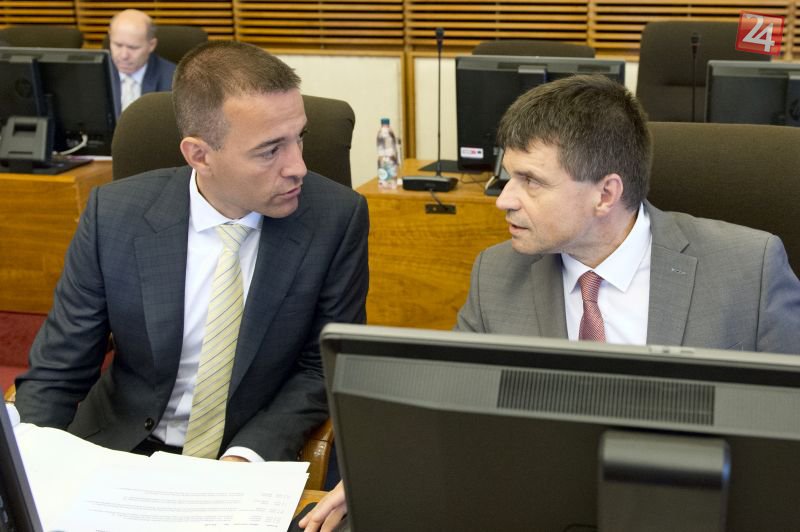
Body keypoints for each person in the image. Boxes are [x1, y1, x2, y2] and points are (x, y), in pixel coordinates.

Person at [299, 74, 800, 530]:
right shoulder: (498, 274)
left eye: (531, 181)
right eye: (508, 176)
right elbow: (450, 410)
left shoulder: (747, 269)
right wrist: (386, 470)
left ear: (606, 194)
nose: (504, 199)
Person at [15, 41, 369, 464]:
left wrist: (245, 456)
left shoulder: (336, 219)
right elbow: (59, 367)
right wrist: (27, 462)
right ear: (199, 155)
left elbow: (323, 365)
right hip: (120, 447)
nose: (298, 167)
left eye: (300, 138)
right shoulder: (113, 215)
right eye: (271, 150)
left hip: (244, 453)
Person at [108, 9, 176, 116]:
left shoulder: (173, 80)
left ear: (151, 45)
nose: (124, 55)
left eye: (132, 48)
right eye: (118, 45)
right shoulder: (94, 75)